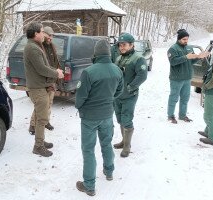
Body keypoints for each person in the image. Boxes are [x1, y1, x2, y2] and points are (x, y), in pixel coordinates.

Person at [75, 39, 123, 196]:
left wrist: (79, 106)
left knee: (88, 149)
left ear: (95, 53)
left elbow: (81, 96)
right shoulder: (117, 70)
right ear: (109, 53)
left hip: (89, 117)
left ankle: (89, 185)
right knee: (107, 144)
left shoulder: (89, 72)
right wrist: (109, 100)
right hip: (107, 114)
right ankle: (109, 172)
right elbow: (119, 91)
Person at [23, 22, 64, 157]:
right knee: (42, 119)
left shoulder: (35, 46)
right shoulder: (33, 48)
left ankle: (41, 140)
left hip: (41, 86)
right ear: (36, 34)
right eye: (42, 31)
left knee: (42, 117)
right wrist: (56, 73)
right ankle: (38, 146)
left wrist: (55, 70)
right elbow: (41, 69)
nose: (44, 34)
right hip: (37, 88)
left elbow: (44, 66)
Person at [113, 33, 147, 158]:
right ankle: (123, 141)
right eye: (120, 45)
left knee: (127, 119)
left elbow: (142, 76)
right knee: (120, 119)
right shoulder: (118, 58)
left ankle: (127, 145)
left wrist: (130, 87)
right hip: (117, 95)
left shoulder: (138, 58)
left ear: (131, 45)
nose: (121, 47)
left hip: (129, 95)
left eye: (124, 45)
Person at [167, 29, 209, 124]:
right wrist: (186, 57)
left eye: (187, 39)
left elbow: (191, 61)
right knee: (174, 98)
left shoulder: (189, 48)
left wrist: (198, 57)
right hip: (176, 78)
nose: (186, 41)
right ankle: (170, 115)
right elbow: (173, 62)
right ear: (179, 39)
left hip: (187, 77)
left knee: (185, 98)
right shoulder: (173, 49)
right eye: (184, 39)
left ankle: (182, 115)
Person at [28, 26, 61, 135]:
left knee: (49, 102)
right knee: (41, 105)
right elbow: (41, 67)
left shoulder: (52, 46)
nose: (50, 38)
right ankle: (33, 125)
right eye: (49, 35)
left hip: (51, 78)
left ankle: (46, 121)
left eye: (52, 36)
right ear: (44, 34)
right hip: (43, 79)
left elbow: (55, 61)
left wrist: (57, 73)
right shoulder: (39, 47)